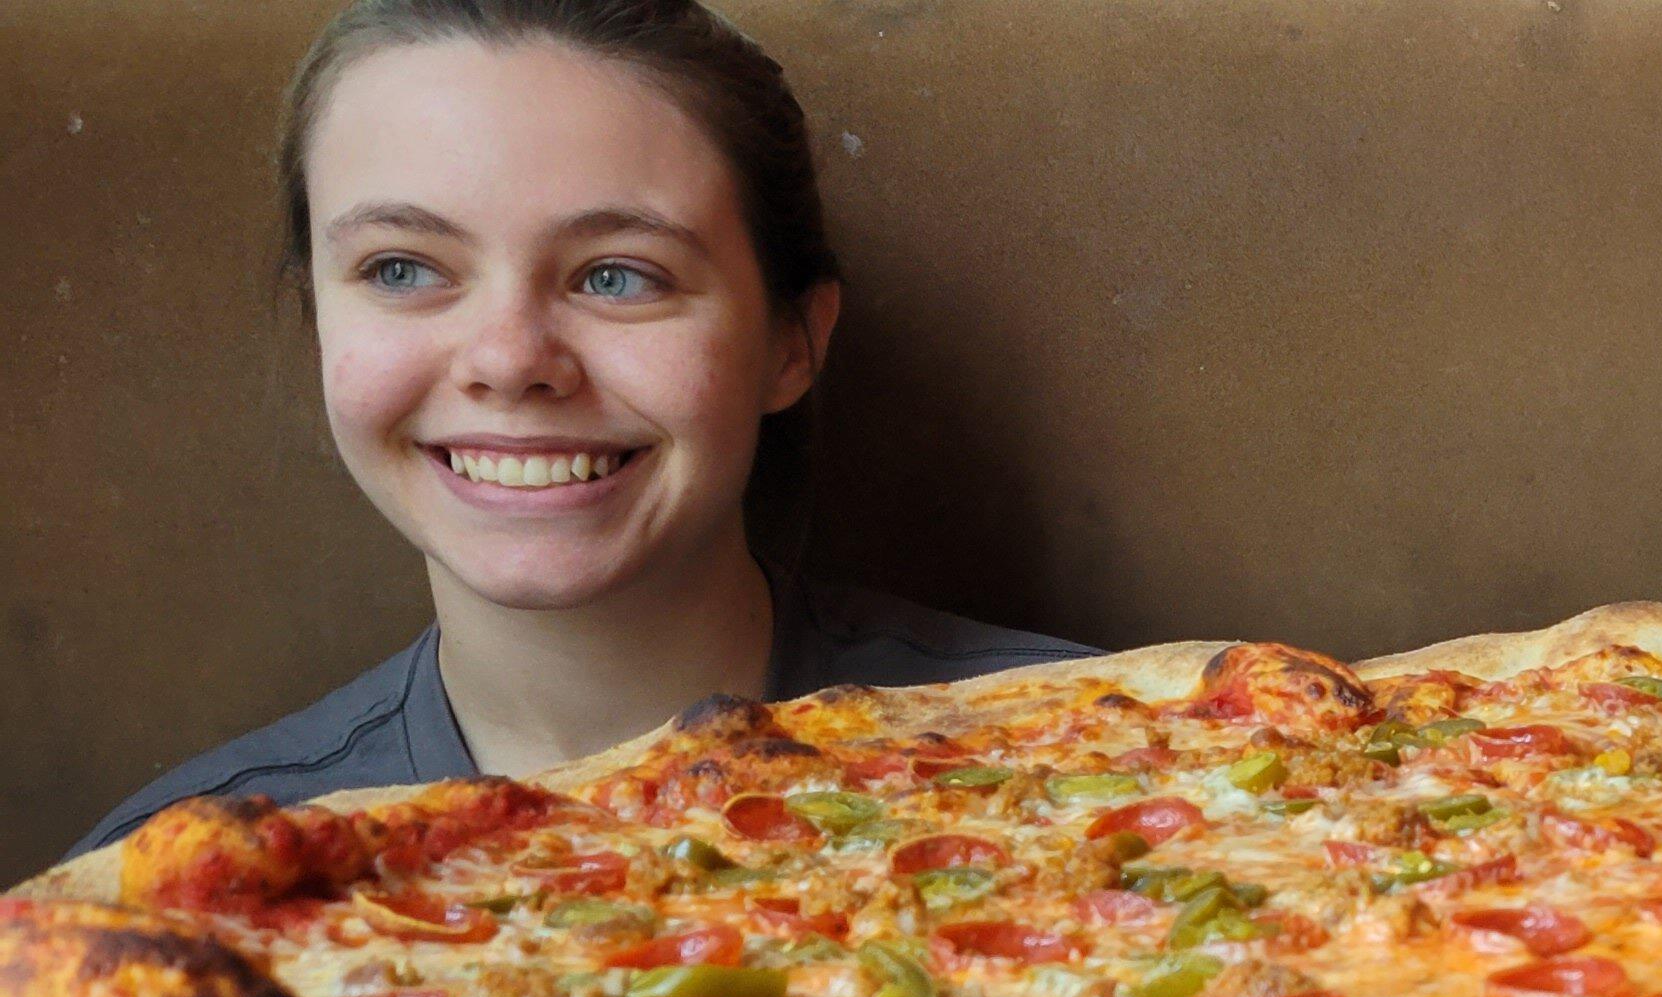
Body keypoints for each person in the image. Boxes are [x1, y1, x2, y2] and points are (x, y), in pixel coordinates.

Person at [72, 0, 1087, 858]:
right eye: (402, 269)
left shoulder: (1097, 756)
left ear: (791, 341)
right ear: (318, 326)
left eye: (617, 276)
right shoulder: (180, 878)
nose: (510, 360)